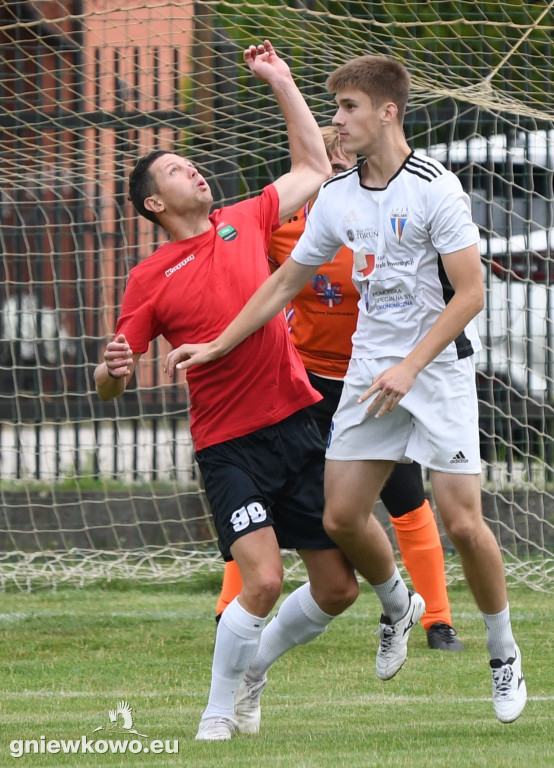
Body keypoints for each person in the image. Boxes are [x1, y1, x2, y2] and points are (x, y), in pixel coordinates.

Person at [164, 54, 528, 724]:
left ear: (387, 111)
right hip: (369, 374)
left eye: (348, 108)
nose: (337, 122)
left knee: (462, 523)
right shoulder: (336, 198)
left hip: (436, 369)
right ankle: (396, 607)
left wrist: (412, 365)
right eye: (334, 109)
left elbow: (470, 294)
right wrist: (218, 343)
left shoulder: (435, 189)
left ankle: (502, 654)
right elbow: (280, 286)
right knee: (338, 518)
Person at [94, 41, 362, 742]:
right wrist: (113, 370)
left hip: (300, 425)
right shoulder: (149, 277)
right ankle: (217, 712)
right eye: (178, 169)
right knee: (264, 582)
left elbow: (311, 164)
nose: (195, 170)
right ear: (155, 202)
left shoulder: (246, 220)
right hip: (229, 446)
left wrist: (280, 76)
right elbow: (108, 386)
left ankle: (253, 669)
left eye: (194, 163)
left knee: (338, 590)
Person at [215, 125, 464, 652]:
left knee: (404, 494)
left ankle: (436, 618)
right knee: (272, 493)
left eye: (343, 157)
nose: (336, 167)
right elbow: (254, 278)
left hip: (375, 378)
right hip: (307, 380)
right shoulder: (289, 225)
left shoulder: (384, 214)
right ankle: (228, 612)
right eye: (323, 159)